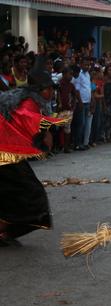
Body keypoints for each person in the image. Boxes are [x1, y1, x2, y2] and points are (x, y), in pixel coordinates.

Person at [0, 65, 67, 246]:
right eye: (50, 89)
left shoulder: (28, 99)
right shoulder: (29, 103)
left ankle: (4, 231)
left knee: (13, 193)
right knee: (31, 195)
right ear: (41, 89)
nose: (52, 92)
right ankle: (3, 231)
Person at [72, 57, 93, 150]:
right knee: (80, 123)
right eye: (85, 64)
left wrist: (91, 99)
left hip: (87, 102)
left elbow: (88, 88)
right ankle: (77, 143)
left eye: (88, 65)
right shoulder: (78, 75)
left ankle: (84, 143)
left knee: (85, 124)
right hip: (81, 102)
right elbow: (76, 90)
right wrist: (79, 101)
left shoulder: (88, 74)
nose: (87, 66)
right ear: (81, 64)